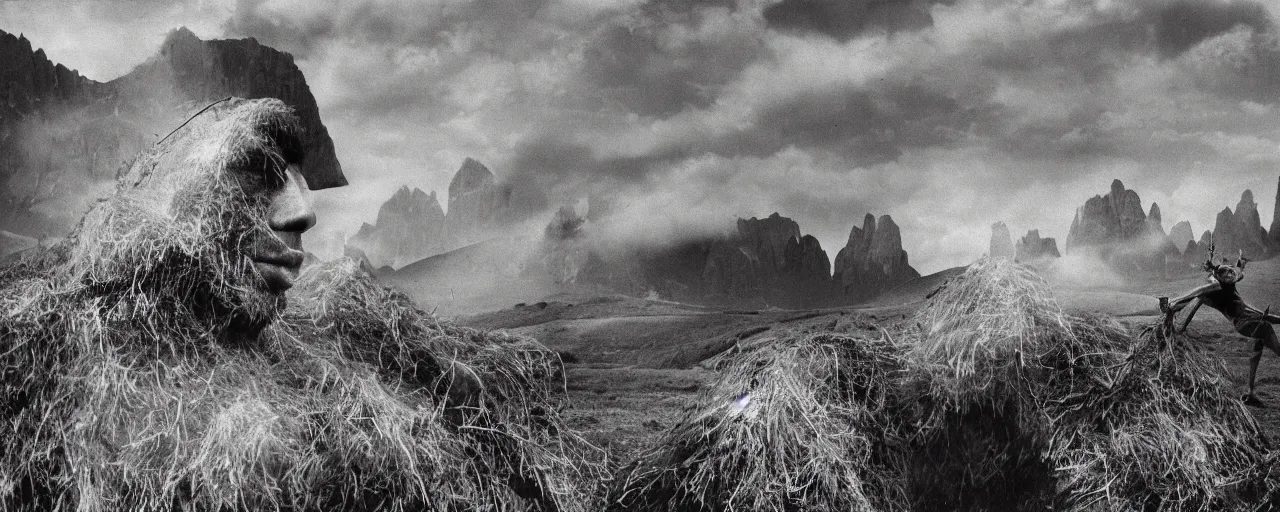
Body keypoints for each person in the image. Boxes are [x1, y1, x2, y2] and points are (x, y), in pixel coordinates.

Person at [1161, 250, 1280, 406]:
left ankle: (1250, 392)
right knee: (1267, 331)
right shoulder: (1214, 291)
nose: (1230, 274)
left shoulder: (1231, 287)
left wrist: (1240, 265)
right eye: (1225, 272)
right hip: (1244, 323)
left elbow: (1239, 281)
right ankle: (1250, 392)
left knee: (1259, 343)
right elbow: (1198, 294)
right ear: (1218, 277)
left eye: (1231, 271)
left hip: (1250, 321)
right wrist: (1173, 304)